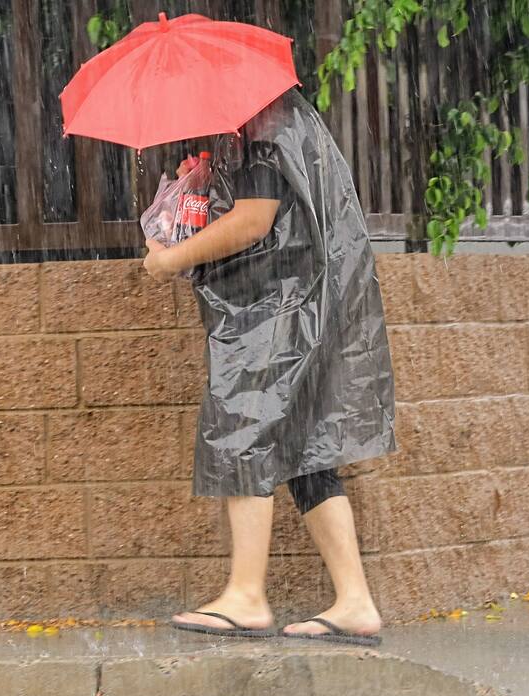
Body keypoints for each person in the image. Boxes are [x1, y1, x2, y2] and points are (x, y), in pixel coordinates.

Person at [142, 88, 396, 646]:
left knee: (243, 430)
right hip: (303, 301)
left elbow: (254, 221)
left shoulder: (260, 130)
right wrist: (205, 184)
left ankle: (246, 595)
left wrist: (171, 258)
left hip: (274, 309)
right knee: (306, 450)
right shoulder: (280, 120)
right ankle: (354, 600)